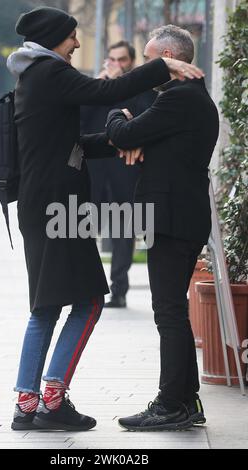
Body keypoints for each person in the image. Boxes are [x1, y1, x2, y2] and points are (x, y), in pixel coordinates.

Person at [6, 6, 204, 432]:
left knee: (45, 305)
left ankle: (28, 404)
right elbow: (104, 92)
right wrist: (160, 67)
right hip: (58, 207)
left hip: (44, 203)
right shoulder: (48, 72)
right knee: (88, 301)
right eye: (73, 36)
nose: (77, 43)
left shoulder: (34, 76)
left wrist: (120, 142)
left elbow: (71, 143)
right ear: (55, 38)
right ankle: (51, 400)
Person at [106, 25, 219, 431]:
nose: (148, 68)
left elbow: (124, 132)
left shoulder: (180, 99)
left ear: (170, 58)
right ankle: (185, 402)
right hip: (179, 217)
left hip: (171, 220)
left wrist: (118, 112)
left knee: (168, 313)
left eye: (152, 59)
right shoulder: (185, 98)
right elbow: (138, 139)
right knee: (173, 312)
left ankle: (172, 403)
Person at [81, 41, 158, 309]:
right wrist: (102, 84)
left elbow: (145, 121)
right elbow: (79, 120)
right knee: (82, 230)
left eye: (122, 59)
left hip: (124, 171)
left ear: (132, 61)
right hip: (94, 172)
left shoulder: (141, 89)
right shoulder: (94, 87)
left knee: (123, 234)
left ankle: (119, 291)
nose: (117, 65)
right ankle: (88, 289)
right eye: (112, 59)